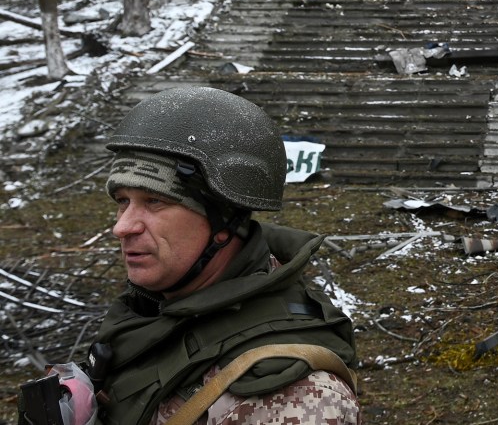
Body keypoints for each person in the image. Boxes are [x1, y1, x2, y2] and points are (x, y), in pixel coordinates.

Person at [87, 86, 358, 425]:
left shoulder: (288, 398)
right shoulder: (151, 316)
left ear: (223, 222)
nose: (122, 227)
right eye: (123, 201)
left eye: (155, 201)